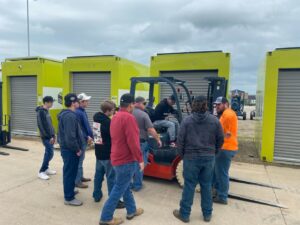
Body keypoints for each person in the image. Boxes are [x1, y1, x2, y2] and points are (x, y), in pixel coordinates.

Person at [173, 96, 224, 223]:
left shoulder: (187, 121)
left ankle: (184, 214)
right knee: (206, 186)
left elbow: (180, 141)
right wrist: (214, 152)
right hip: (208, 157)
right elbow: (220, 139)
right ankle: (207, 214)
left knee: (189, 186)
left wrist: (183, 155)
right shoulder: (215, 120)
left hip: (191, 158)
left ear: (193, 105)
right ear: (206, 105)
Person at [100, 94, 144, 225]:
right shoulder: (129, 118)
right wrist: (140, 159)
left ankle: (132, 210)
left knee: (124, 186)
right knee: (119, 188)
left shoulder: (116, 116)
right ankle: (106, 217)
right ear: (131, 105)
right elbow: (133, 142)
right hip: (125, 160)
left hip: (116, 157)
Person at [92, 100, 125, 209]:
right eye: (113, 110)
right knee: (111, 178)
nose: (114, 112)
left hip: (99, 153)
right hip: (108, 154)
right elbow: (115, 138)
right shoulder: (108, 123)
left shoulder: (96, 119)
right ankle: (114, 201)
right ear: (107, 111)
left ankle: (96, 195)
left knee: (98, 175)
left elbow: (97, 138)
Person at [58, 93, 85, 206]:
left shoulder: (68, 114)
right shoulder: (70, 116)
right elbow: (70, 136)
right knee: (69, 172)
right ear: (73, 103)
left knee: (71, 171)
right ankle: (69, 198)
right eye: (78, 101)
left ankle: (70, 190)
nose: (79, 103)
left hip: (68, 149)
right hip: (70, 150)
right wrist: (77, 149)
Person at [132, 96, 162, 192]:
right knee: (140, 164)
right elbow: (150, 129)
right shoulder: (143, 115)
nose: (145, 105)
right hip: (140, 143)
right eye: (144, 103)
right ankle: (137, 185)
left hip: (129, 143)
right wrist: (158, 139)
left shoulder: (128, 113)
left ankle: (129, 184)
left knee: (130, 163)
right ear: (138, 103)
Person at [213, 96, 238, 205]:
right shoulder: (229, 113)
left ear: (225, 104)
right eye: (216, 105)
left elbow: (220, 132)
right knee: (219, 172)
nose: (216, 106)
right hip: (227, 147)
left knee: (222, 173)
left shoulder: (227, 115)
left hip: (225, 148)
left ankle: (222, 197)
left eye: (219, 105)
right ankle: (217, 191)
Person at [75, 93, 93, 189]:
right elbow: (79, 129)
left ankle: (80, 177)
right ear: (81, 102)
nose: (88, 102)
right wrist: (87, 137)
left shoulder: (82, 111)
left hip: (84, 139)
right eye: (86, 101)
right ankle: (77, 181)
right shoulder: (78, 112)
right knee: (79, 161)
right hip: (81, 140)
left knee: (81, 161)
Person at [36, 96, 56, 180]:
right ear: (46, 102)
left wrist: (53, 135)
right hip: (46, 137)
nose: (52, 104)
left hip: (50, 136)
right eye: (51, 102)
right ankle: (41, 171)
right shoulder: (41, 112)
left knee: (48, 153)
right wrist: (49, 137)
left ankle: (46, 168)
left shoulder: (46, 111)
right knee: (50, 153)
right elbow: (41, 126)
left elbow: (49, 125)